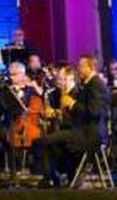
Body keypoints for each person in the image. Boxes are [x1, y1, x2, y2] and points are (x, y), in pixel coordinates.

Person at [32, 55, 109, 186]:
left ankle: (52, 179)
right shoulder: (89, 84)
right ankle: (61, 176)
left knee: (44, 141)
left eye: (80, 67)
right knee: (53, 142)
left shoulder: (96, 84)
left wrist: (72, 104)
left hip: (90, 134)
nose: (78, 70)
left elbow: (94, 112)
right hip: (83, 130)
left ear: (89, 67)